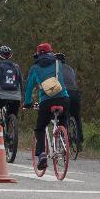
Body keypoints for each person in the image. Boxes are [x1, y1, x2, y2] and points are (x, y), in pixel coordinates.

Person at [23, 43, 70, 175]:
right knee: (63, 119)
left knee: (40, 127)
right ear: (51, 52)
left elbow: (29, 88)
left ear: (38, 54)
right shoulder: (58, 63)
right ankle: (64, 141)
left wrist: (27, 103)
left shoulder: (35, 68)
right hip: (63, 99)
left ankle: (42, 154)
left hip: (46, 101)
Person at [54, 52, 83, 148]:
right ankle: (79, 139)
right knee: (77, 117)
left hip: (64, 93)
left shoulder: (54, 69)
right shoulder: (70, 69)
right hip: (75, 93)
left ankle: (64, 139)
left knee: (63, 115)